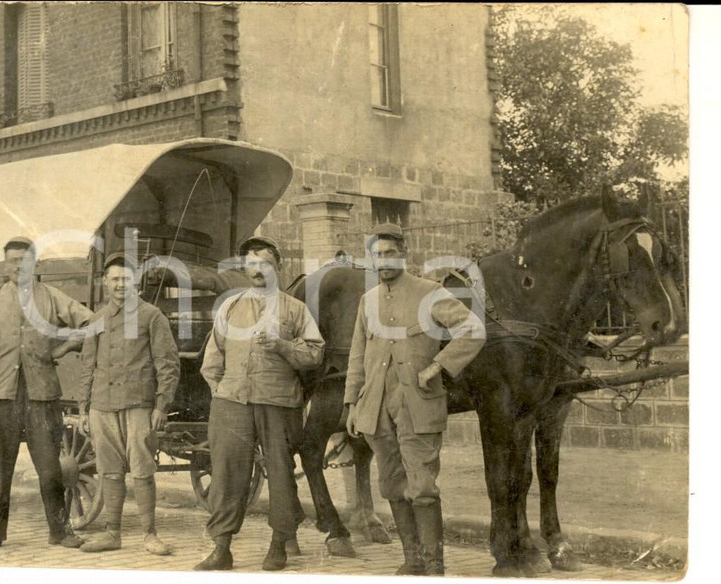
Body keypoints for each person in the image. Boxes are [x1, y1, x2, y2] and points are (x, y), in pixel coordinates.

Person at [344, 224, 485, 576]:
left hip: (417, 405)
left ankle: (434, 567)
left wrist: (438, 365)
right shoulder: (367, 301)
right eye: (377, 255)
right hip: (376, 408)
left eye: (390, 253)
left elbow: (473, 329)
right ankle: (413, 560)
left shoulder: (430, 292)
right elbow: (357, 356)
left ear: (404, 255)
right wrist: (352, 405)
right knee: (392, 483)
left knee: (421, 485)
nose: (383, 261)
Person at [0, 236, 93, 551]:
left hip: (41, 395)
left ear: (35, 264)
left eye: (24, 260)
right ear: (5, 266)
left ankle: (60, 531)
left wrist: (65, 346)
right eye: (13, 261)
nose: (19, 266)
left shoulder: (52, 297)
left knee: (50, 467)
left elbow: (90, 322)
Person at [195, 236, 325, 572]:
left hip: (278, 403)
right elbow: (212, 358)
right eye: (251, 265)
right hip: (232, 402)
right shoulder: (230, 307)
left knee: (280, 473)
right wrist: (222, 391)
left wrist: (282, 345)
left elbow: (315, 354)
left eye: (264, 264)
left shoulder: (295, 310)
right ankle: (221, 548)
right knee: (226, 473)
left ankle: (279, 544)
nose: (257, 271)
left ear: (278, 266)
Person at [76, 252, 180, 555]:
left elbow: (168, 364)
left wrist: (161, 406)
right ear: (105, 282)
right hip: (102, 406)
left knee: (142, 470)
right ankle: (113, 534)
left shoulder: (151, 316)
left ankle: (150, 535)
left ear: (135, 281)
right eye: (115, 279)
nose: (121, 284)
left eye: (126, 279)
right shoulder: (97, 319)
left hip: (139, 405)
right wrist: (83, 408)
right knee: (109, 470)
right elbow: (87, 366)